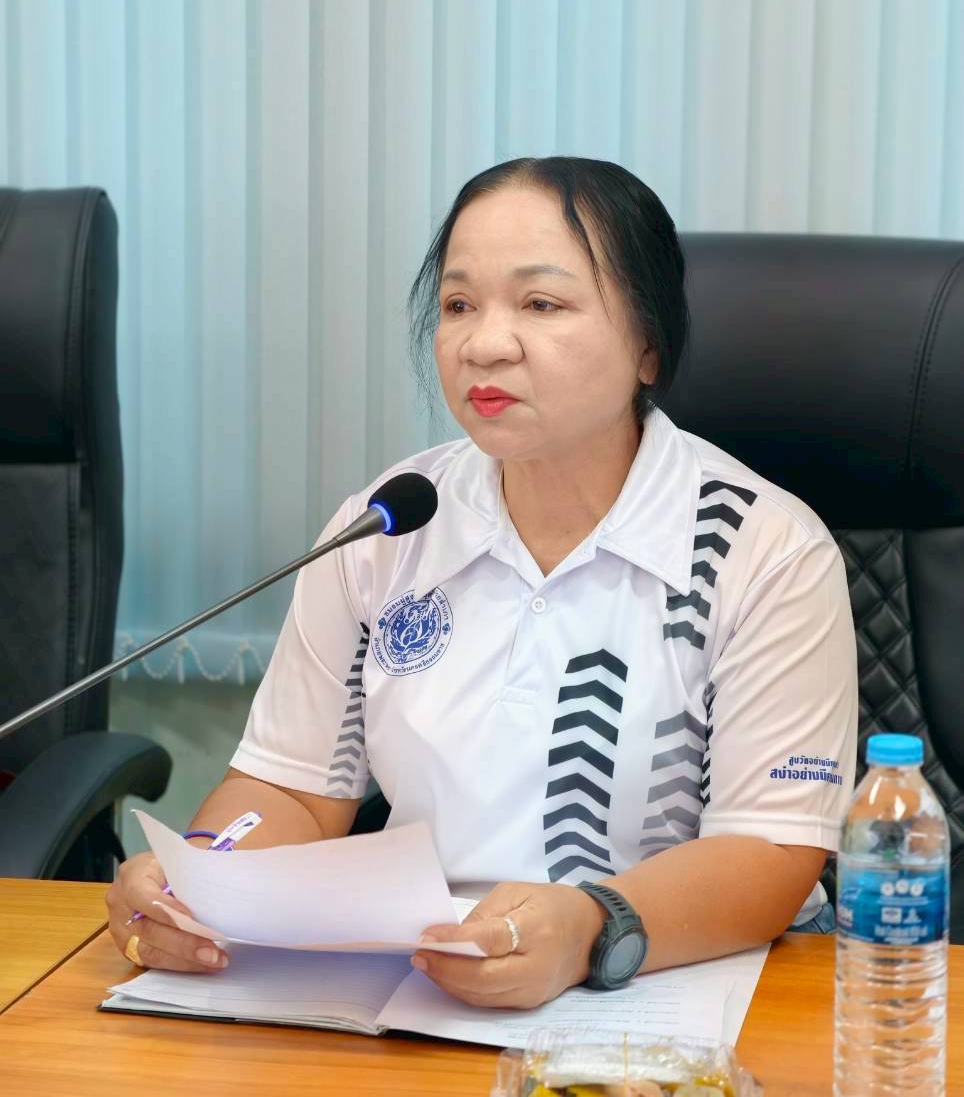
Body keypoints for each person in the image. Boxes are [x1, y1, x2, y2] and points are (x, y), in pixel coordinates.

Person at [107, 156, 858, 1009]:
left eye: (541, 304)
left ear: (649, 346)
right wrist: (204, 878)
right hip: (422, 979)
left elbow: (771, 850)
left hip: (670, 992)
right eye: (459, 305)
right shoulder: (386, 527)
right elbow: (291, 789)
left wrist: (589, 928)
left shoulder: (766, 550)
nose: (482, 344)